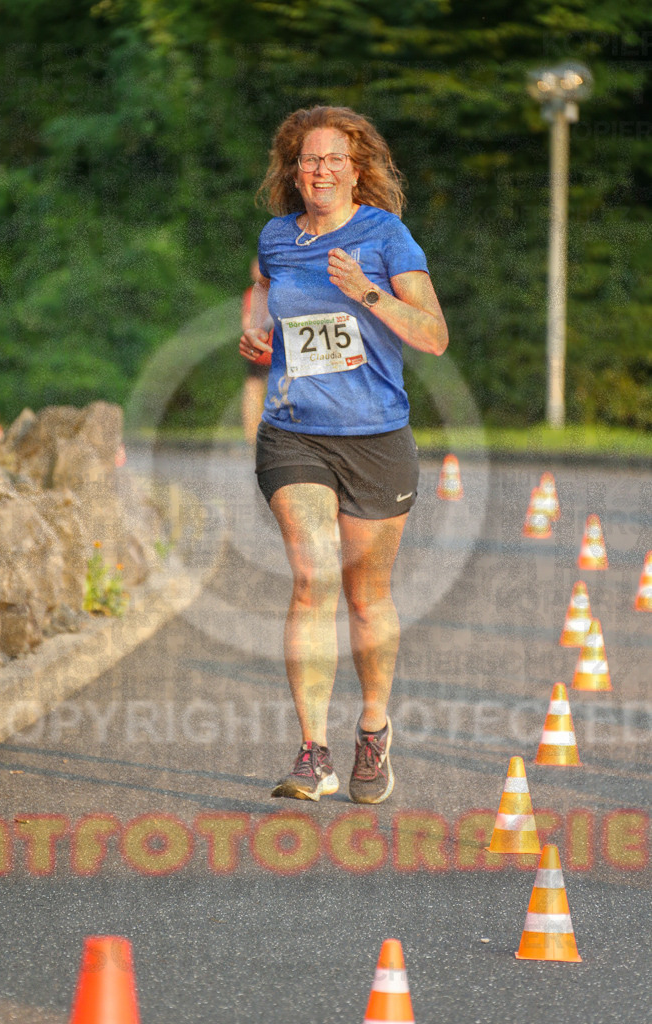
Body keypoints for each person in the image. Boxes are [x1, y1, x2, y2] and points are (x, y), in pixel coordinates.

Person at [240, 105, 448, 804]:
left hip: (376, 438)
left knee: (367, 597)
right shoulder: (277, 238)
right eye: (306, 160)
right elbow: (265, 298)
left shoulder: (385, 236)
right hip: (293, 432)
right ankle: (311, 752)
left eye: (332, 159)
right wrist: (255, 333)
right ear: (292, 173)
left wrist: (366, 292)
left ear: (356, 170)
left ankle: (372, 729)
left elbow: (433, 337)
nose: (319, 170)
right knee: (311, 576)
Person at [240, 258, 273, 445]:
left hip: (259, 350)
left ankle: (252, 437)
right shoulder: (282, 292)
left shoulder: (252, 294)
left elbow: (246, 323)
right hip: (276, 350)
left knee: (253, 391)